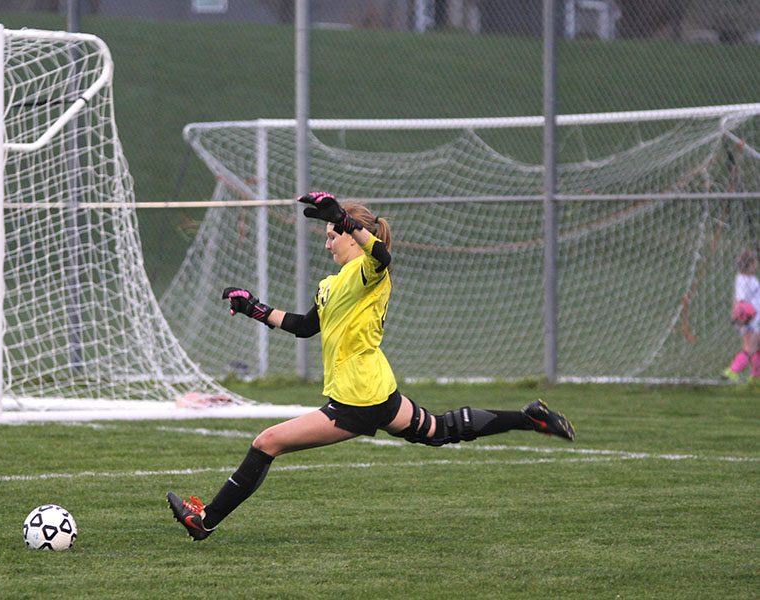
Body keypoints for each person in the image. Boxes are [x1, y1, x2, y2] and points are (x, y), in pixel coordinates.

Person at [167, 192, 576, 541]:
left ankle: (203, 521)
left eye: (332, 235)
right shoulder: (332, 283)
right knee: (438, 430)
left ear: (350, 235)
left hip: (356, 398)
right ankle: (530, 419)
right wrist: (255, 308)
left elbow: (381, 255)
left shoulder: (369, 272)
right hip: (376, 388)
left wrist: (345, 218)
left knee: (266, 443)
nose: (328, 244)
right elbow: (306, 325)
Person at [723, 249, 760, 382]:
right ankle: (732, 371)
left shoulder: (747, 278)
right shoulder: (744, 280)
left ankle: (756, 377)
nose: (757, 265)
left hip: (752, 320)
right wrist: (738, 316)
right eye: (755, 262)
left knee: (754, 347)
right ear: (749, 265)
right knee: (750, 348)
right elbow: (740, 301)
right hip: (751, 321)